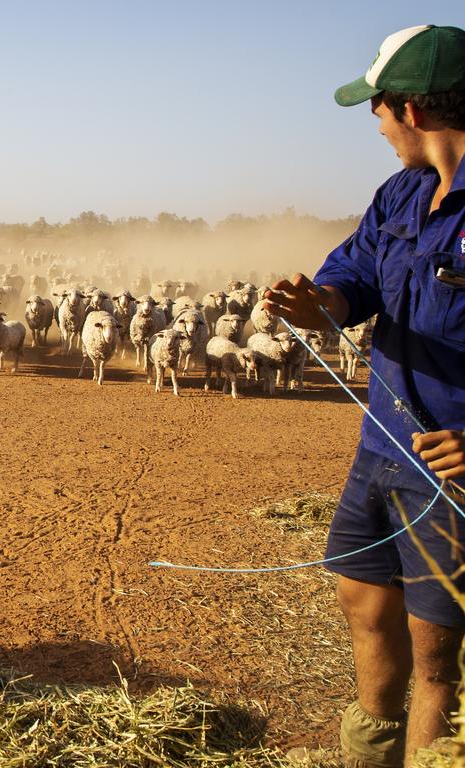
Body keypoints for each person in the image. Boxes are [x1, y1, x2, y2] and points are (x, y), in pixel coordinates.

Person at [263, 25, 465, 768]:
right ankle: (370, 752)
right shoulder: (402, 195)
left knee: (437, 651)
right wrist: (322, 304)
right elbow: (358, 276)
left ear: (409, 109)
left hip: (450, 467)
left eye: (376, 111)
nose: (376, 127)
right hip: (381, 446)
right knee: (363, 601)